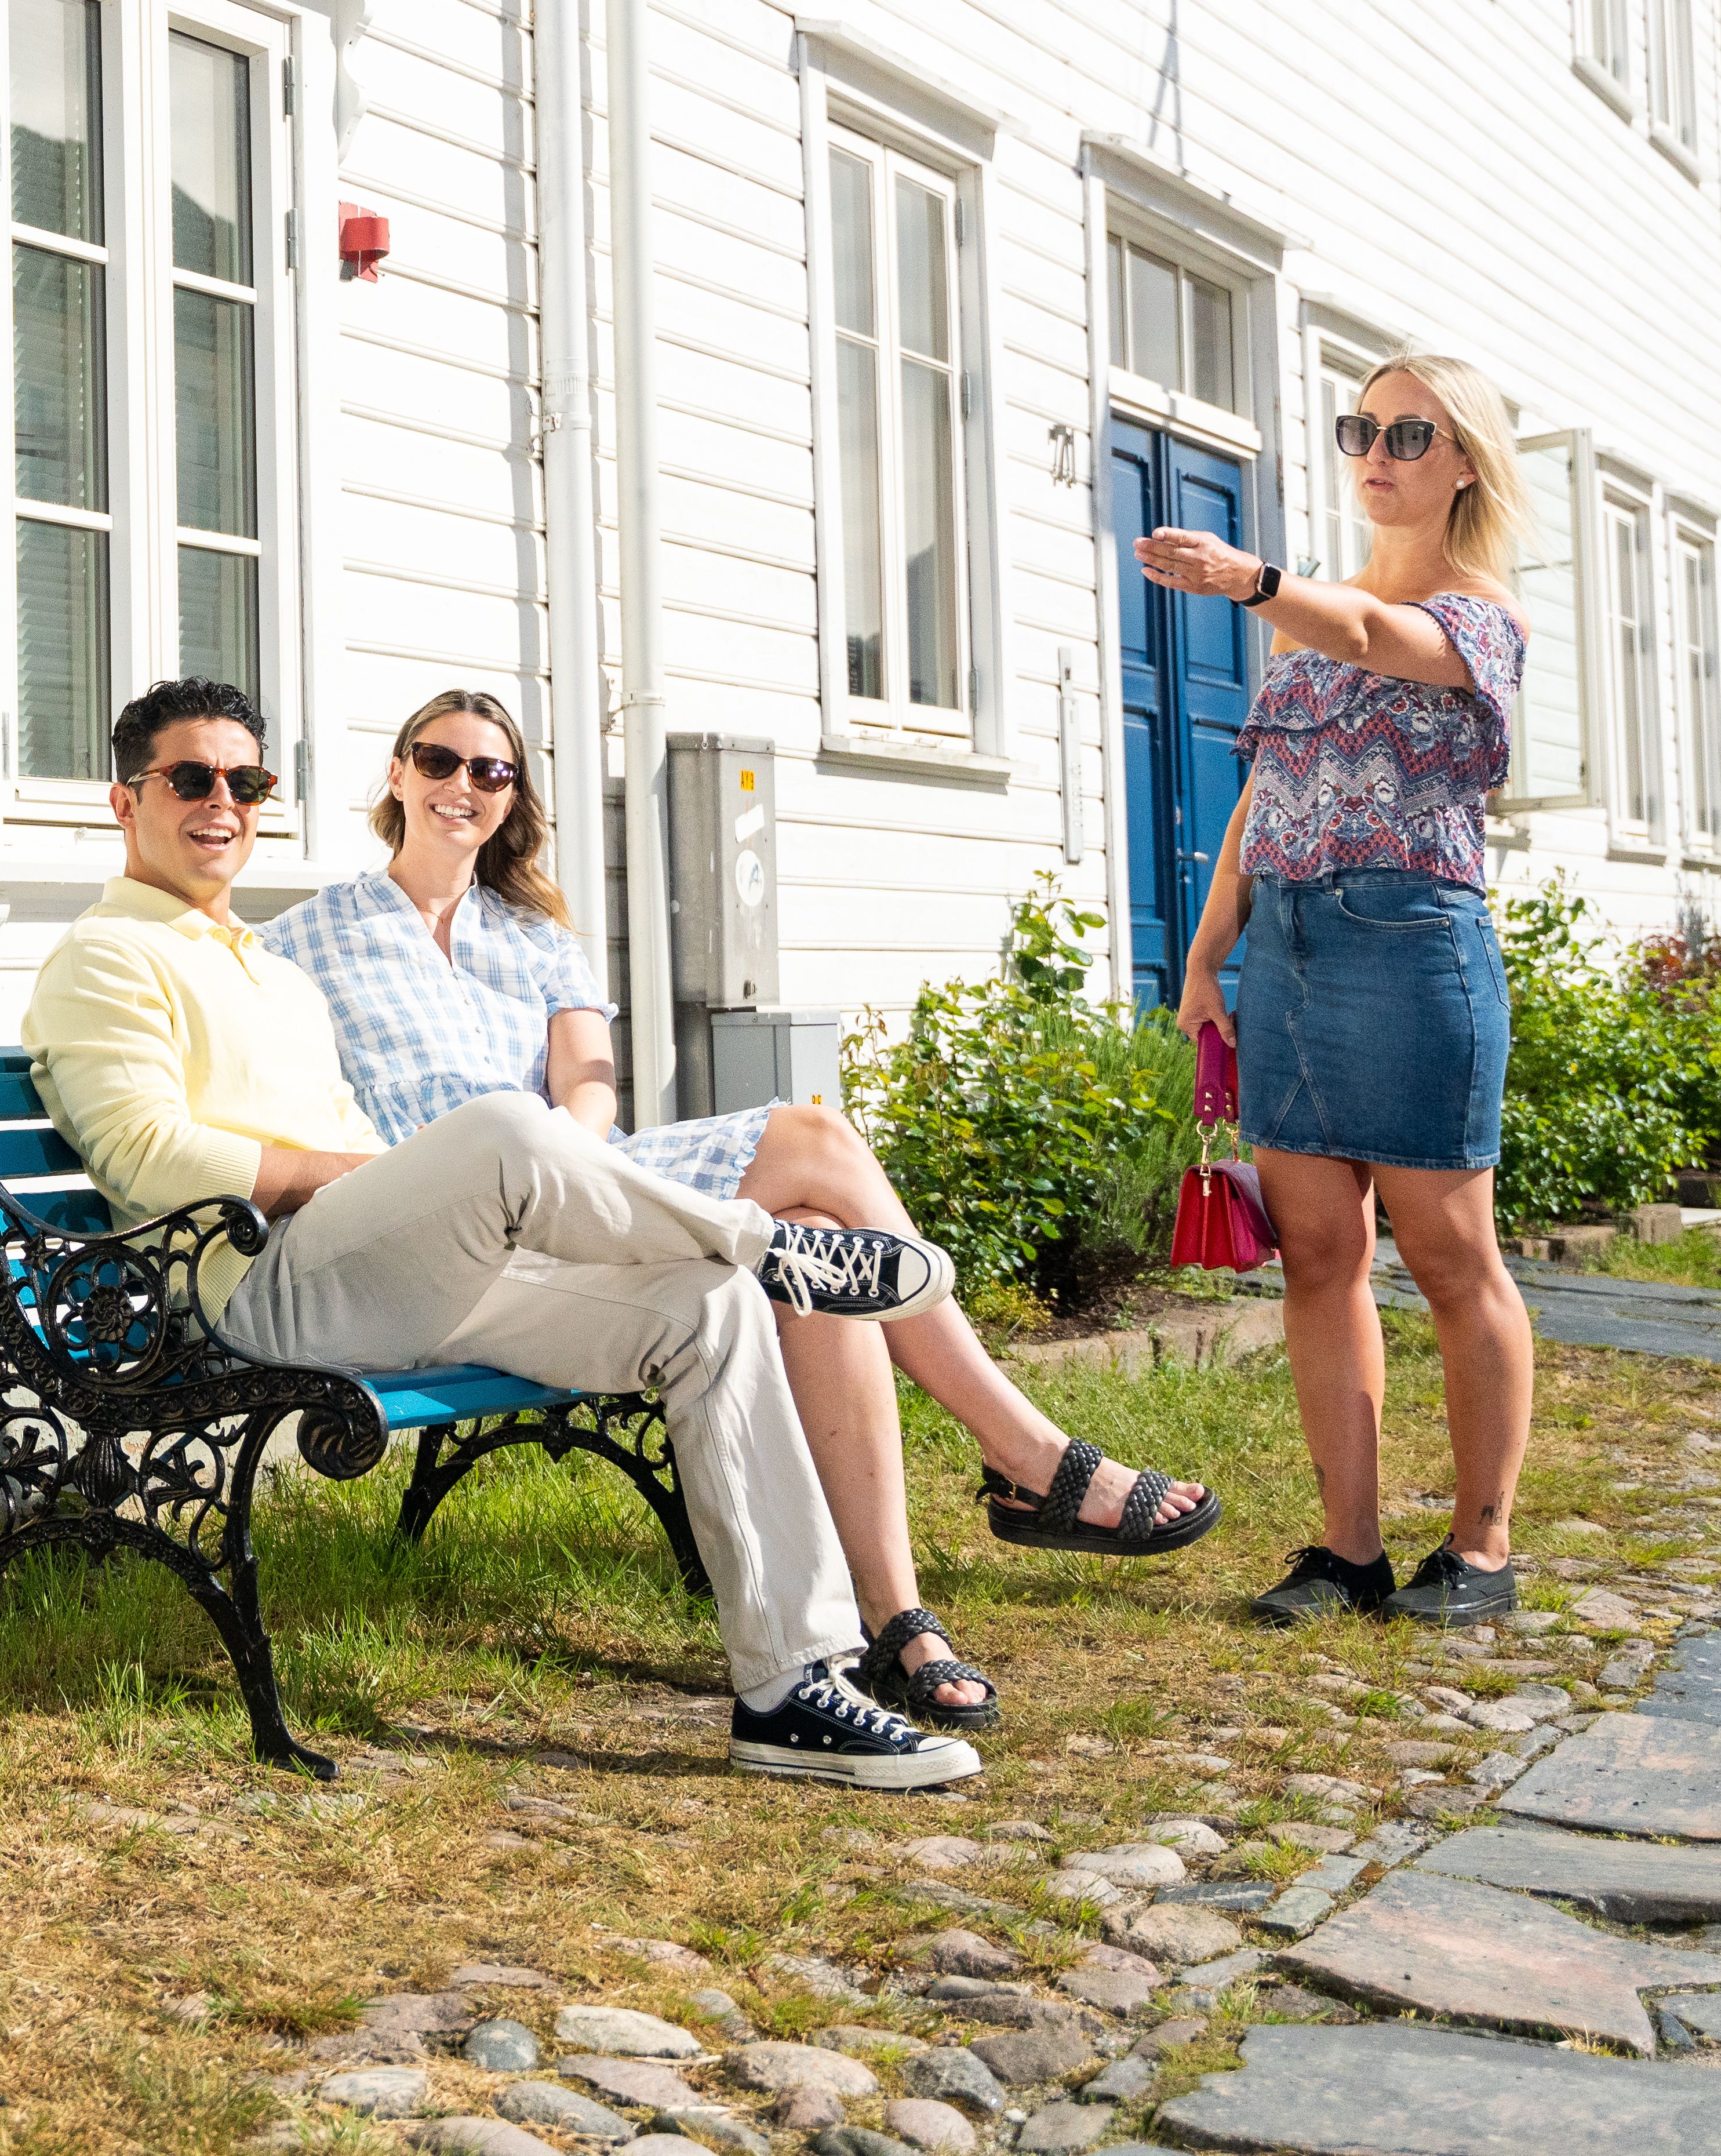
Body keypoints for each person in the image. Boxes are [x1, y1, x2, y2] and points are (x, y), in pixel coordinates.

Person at [21, 675, 981, 1789]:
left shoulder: (261, 961)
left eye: (246, 781)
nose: (221, 802)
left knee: (707, 1309)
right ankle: (770, 1244)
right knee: (503, 1127)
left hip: (386, 1274)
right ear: (122, 801)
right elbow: (146, 1155)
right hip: (258, 1290)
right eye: (190, 779)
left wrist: (408, 1194)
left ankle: (789, 1687)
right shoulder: (107, 956)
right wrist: (381, 1179)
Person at [267, 689, 1220, 1726]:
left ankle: (897, 1619)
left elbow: (590, 1088)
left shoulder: (535, 938)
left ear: (512, 798)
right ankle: (1026, 1460)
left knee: (813, 1237)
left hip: (593, 1188)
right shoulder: (309, 938)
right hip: (449, 1224)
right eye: (440, 761)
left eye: (490, 772)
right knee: (813, 1154)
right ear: (398, 773)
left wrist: (576, 1161)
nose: (462, 786)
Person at [1136, 350, 1534, 1630]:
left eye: (1411, 433)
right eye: (1363, 427)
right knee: (1319, 1254)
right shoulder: (1313, 626)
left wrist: (1250, 579)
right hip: (1292, 953)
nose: (1378, 450)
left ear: (1466, 459)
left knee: (1452, 1251)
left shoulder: (1478, 620)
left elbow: (1374, 637)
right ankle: (1347, 1550)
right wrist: (1206, 959)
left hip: (1415, 950)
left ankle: (1482, 1552)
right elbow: (1262, 800)